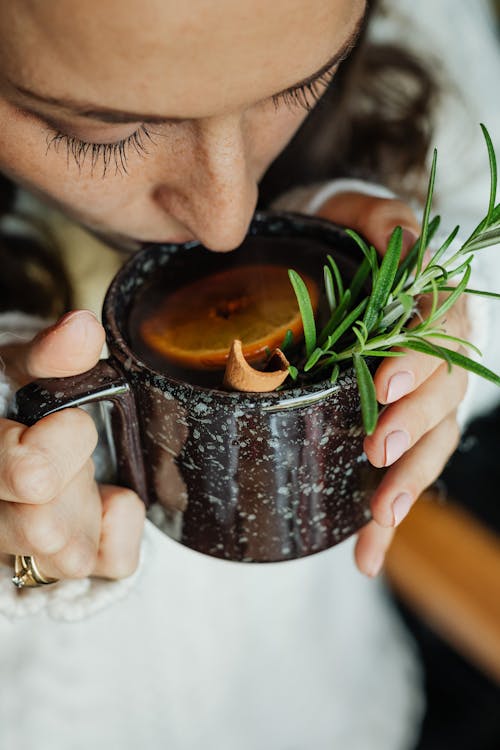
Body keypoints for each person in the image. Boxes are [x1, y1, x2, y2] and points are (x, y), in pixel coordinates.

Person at [0, 0, 498, 747]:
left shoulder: (424, 31)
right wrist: (24, 564)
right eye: (100, 133)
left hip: (342, 704)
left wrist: (426, 316)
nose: (226, 218)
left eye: (299, 87)